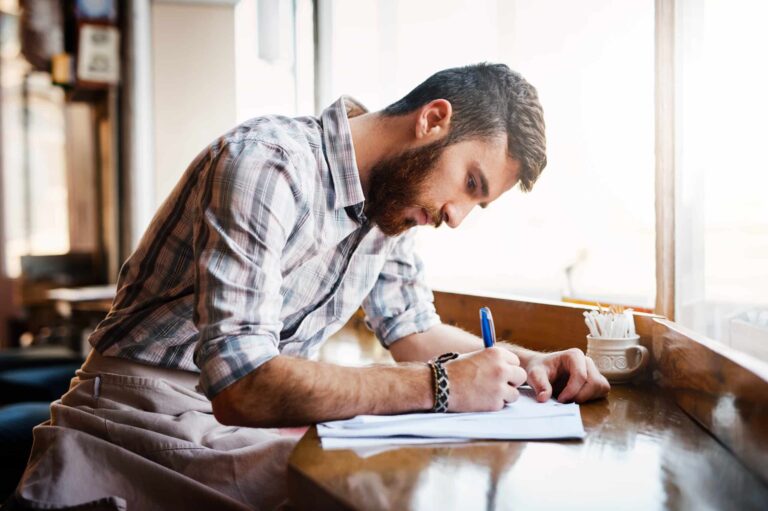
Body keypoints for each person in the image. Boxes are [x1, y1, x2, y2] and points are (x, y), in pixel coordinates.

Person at [12, 63, 610, 510]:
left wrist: (531, 364)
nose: (456, 216)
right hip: (135, 422)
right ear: (433, 120)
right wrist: (442, 385)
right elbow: (242, 385)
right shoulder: (268, 164)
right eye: (470, 184)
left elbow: (415, 331)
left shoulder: (392, 209)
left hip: (229, 431)